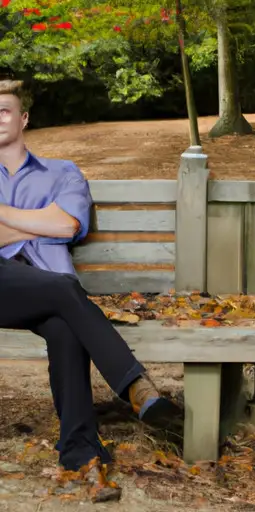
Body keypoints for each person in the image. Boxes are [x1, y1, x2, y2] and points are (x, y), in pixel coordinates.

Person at [0, 79, 180, 501]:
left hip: (43, 289)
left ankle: (78, 451)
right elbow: (52, 222)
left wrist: (7, 220)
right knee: (65, 291)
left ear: (24, 118)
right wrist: (37, 217)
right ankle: (135, 386)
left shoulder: (63, 172)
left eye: (4, 110)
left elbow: (67, 225)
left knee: (65, 325)